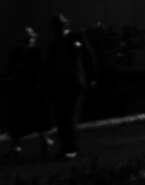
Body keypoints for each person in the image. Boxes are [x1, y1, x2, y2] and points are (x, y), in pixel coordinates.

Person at [43, 14, 96, 159]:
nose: (56, 29)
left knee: (69, 116)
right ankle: (66, 147)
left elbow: (88, 56)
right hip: (59, 83)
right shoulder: (54, 43)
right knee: (61, 117)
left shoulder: (76, 38)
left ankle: (71, 148)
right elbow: (48, 65)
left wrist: (91, 76)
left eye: (58, 26)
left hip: (74, 83)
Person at [4, 26, 54, 159]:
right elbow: (10, 70)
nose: (29, 41)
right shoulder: (16, 54)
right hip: (19, 90)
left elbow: (41, 70)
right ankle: (16, 146)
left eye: (30, 38)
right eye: (27, 39)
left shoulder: (35, 52)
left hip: (32, 90)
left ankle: (44, 142)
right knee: (16, 120)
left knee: (39, 119)